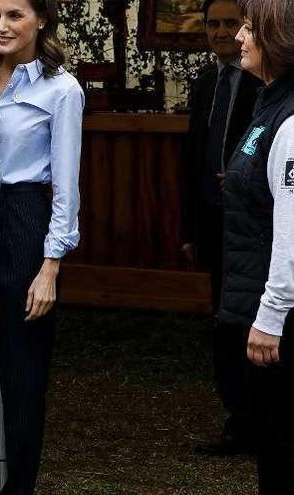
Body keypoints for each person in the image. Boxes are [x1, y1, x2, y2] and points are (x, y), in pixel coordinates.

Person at [0, 0, 83, 493]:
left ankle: (18, 487)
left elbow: (67, 184)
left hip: (23, 221)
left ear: (42, 22)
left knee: (22, 373)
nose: (1, 25)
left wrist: (49, 265)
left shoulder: (61, 89)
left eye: (16, 15)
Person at [180, 0, 263, 457]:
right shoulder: (207, 81)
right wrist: (190, 225)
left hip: (253, 222)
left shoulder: (263, 83)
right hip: (213, 220)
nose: (221, 32)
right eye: (213, 24)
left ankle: (256, 417)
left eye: (231, 23)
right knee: (223, 318)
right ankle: (238, 414)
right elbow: (193, 156)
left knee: (252, 319)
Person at [219, 0, 294, 492]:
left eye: (249, 28)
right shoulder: (268, 103)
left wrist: (270, 317)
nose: (240, 37)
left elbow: (291, 231)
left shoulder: (290, 122)